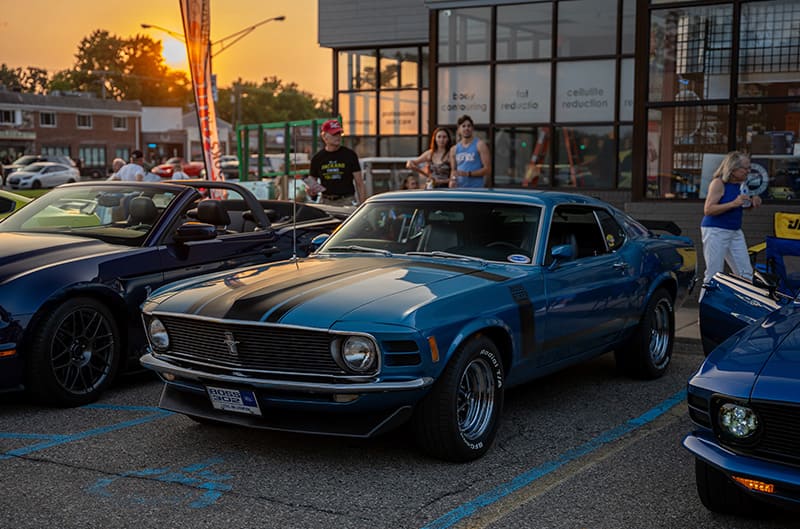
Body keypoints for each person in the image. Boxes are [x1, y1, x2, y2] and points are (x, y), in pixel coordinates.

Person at [700, 151, 762, 297]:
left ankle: (745, 310)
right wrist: (733, 203)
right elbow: (708, 210)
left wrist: (752, 203)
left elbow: (741, 206)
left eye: (749, 168)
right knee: (714, 272)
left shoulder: (741, 184)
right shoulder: (718, 183)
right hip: (716, 230)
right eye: (744, 168)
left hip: (734, 230)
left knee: (745, 272)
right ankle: (704, 312)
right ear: (733, 169)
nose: (748, 171)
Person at [308, 119, 366, 206]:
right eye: (334, 134)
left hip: (346, 200)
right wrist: (311, 191)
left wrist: (363, 205)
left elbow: (359, 183)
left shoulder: (350, 155)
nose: (338, 137)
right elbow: (312, 182)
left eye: (339, 133)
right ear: (324, 137)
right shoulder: (317, 158)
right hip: (325, 200)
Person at [449, 115, 491, 188]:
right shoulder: (454, 149)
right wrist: (452, 181)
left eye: (469, 126)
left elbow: (487, 169)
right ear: (459, 129)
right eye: (463, 126)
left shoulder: (480, 145)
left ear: (472, 128)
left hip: (476, 189)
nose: (466, 128)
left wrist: (468, 174)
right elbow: (453, 171)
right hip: (459, 189)